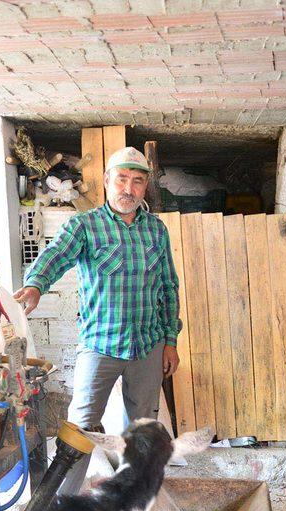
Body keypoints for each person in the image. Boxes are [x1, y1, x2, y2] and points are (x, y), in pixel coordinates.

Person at [13, 146, 180, 492]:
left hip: (147, 345)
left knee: (143, 427)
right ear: (107, 181)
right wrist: (35, 284)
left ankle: (133, 497)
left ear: (145, 186)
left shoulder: (156, 231)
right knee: (81, 427)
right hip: (100, 344)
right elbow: (55, 254)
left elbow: (169, 286)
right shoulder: (85, 226)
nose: (128, 189)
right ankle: (63, 502)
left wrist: (170, 341)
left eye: (137, 181)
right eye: (121, 179)